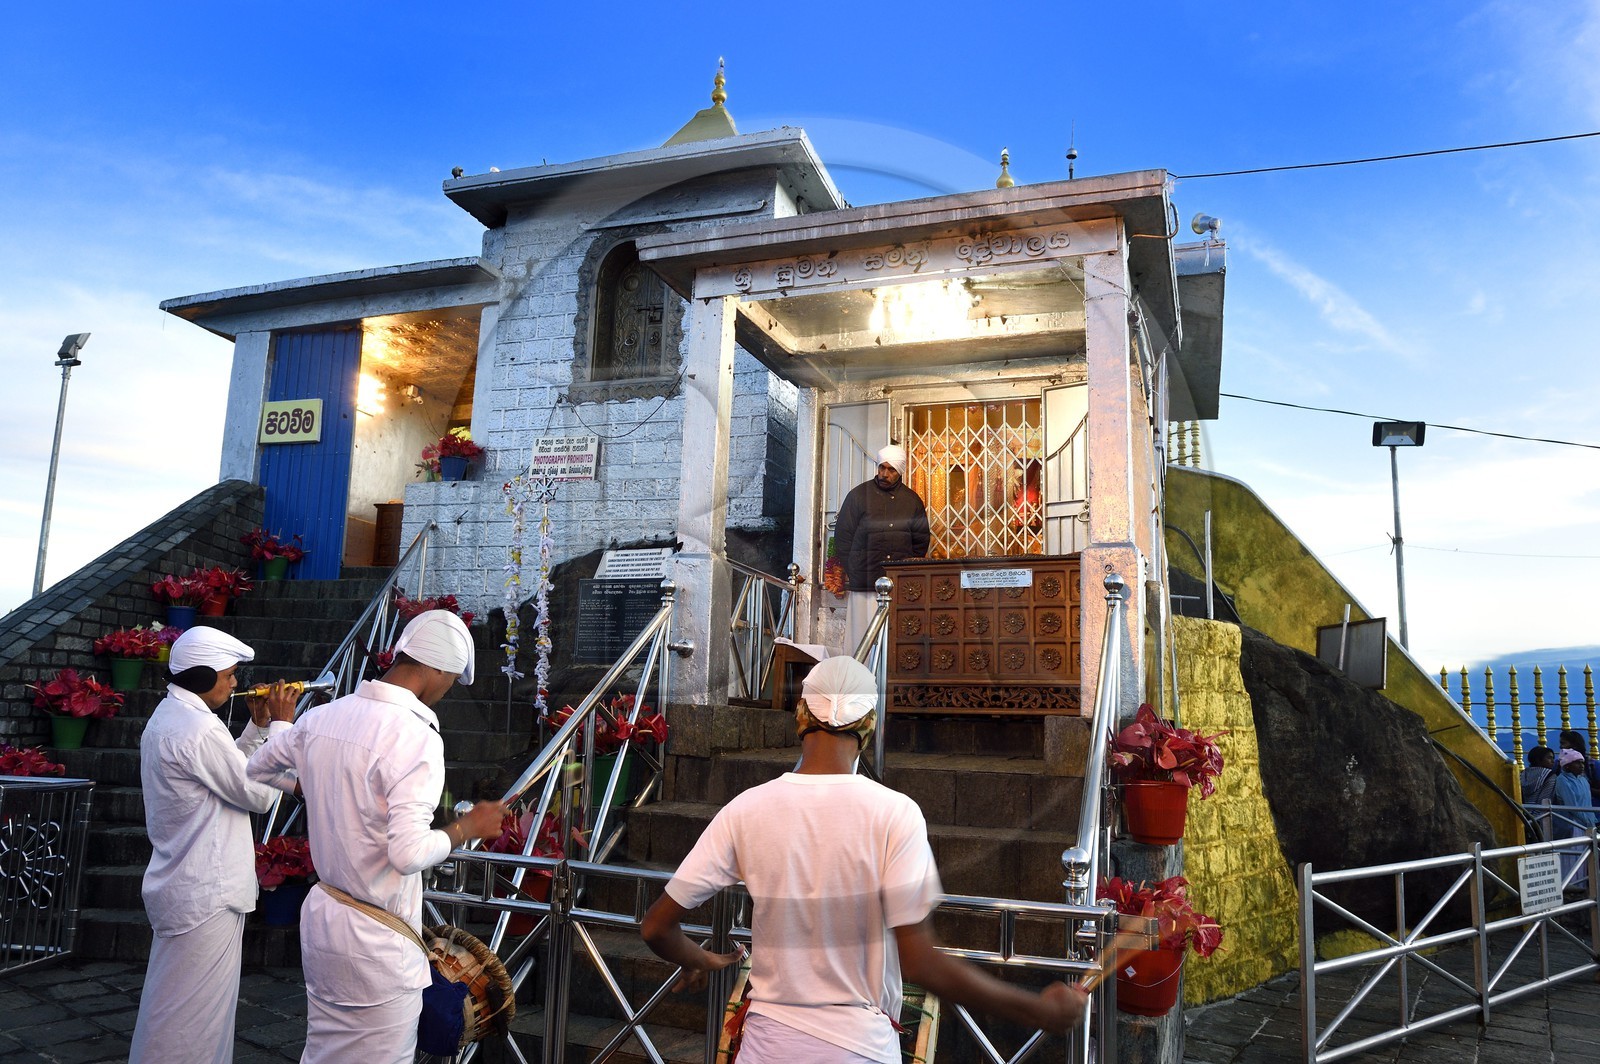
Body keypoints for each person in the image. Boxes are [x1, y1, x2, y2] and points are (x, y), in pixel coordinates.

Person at [641, 656, 1085, 1063]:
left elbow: (657, 927)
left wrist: (701, 960)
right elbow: (920, 962)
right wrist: (1035, 1009)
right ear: (869, 724)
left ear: (801, 717)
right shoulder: (894, 813)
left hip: (766, 1044)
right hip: (859, 1047)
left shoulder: (746, 808)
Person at [246, 610, 507, 1064]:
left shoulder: (324, 717)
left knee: (324, 1053)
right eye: (450, 680)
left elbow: (258, 767)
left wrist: (305, 777)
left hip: (326, 921)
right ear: (440, 670)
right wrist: (468, 827)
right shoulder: (417, 737)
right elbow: (407, 853)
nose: (446, 691)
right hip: (378, 947)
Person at [129, 626, 298, 1064]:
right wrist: (282, 726)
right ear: (202, 677)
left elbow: (230, 774)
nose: (236, 683)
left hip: (188, 885)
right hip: (206, 891)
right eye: (229, 675)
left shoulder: (173, 716)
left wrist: (257, 729)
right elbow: (258, 794)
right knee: (193, 1023)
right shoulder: (199, 728)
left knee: (175, 1010)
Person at [834, 443, 930, 654]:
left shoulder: (912, 501)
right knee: (862, 637)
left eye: (891, 469)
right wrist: (855, 569)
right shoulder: (858, 496)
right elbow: (843, 538)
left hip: (897, 585)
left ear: (900, 471)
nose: (885, 473)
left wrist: (906, 573)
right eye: (881, 468)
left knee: (893, 640)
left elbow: (920, 542)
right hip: (865, 582)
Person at [1553, 748, 1596, 894]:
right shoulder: (1562, 781)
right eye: (1577, 763)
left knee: (1586, 860)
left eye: (1582, 763)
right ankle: (1571, 890)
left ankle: (1583, 889)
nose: (1581, 766)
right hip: (1574, 825)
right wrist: (1587, 821)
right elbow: (1572, 806)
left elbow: (1587, 803)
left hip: (1588, 825)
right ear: (1567, 766)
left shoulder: (1583, 780)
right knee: (1572, 858)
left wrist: (1592, 821)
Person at [1521, 747, 1559, 840]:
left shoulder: (1523, 774)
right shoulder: (1550, 775)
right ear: (1539, 759)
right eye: (1549, 758)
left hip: (1523, 816)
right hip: (1541, 819)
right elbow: (1546, 798)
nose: (1552, 761)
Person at [1558, 729, 1600, 804]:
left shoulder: (1592, 765)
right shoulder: (1558, 765)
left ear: (1574, 745)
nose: (1561, 747)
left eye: (1563, 743)